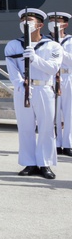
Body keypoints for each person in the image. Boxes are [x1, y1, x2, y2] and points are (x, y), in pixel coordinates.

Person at [6, 8, 62, 179]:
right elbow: (12, 68)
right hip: (23, 88)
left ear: (40, 24)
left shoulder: (53, 46)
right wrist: (19, 84)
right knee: (25, 127)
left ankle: (44, 163)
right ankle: (29, 162)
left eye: (29, 20)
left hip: (44, 88)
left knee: (46, 127)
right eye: (23, 20)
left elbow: (53, 68)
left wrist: (35, 59)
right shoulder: (13, 45)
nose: (25, 23)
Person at [49, 12, 72, 157]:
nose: (54, 23)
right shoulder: (45, 41)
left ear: (65, 24)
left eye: (57, 21)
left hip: (67, 75)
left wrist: (59, 49)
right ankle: (56, 143)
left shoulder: (70, 41)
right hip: (52, 77)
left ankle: (68, 143)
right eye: (51, 21)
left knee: (69, 112)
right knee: (54, 112)